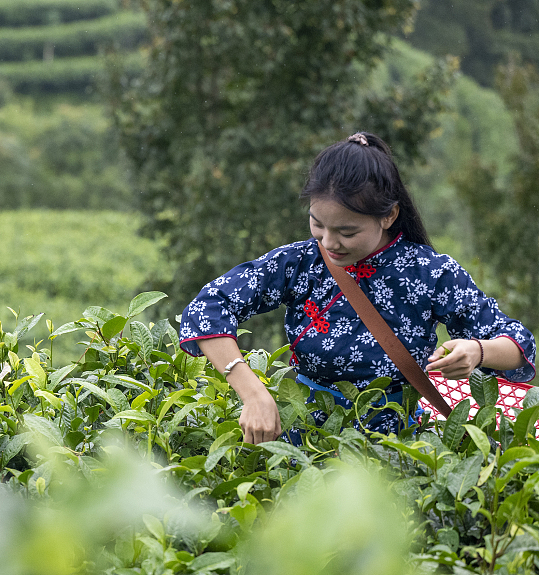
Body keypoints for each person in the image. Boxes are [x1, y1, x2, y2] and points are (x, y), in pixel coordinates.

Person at [179, 132, 536, 444]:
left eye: (347, 232)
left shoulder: (430, 272)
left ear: (389, 216)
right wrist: (252, 391)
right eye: (317, 225)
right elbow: (209, 307)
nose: (330, 242)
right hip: (304, 439)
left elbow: (517, 344)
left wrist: (477, 350)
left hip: (394, 447)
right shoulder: (300, 262)